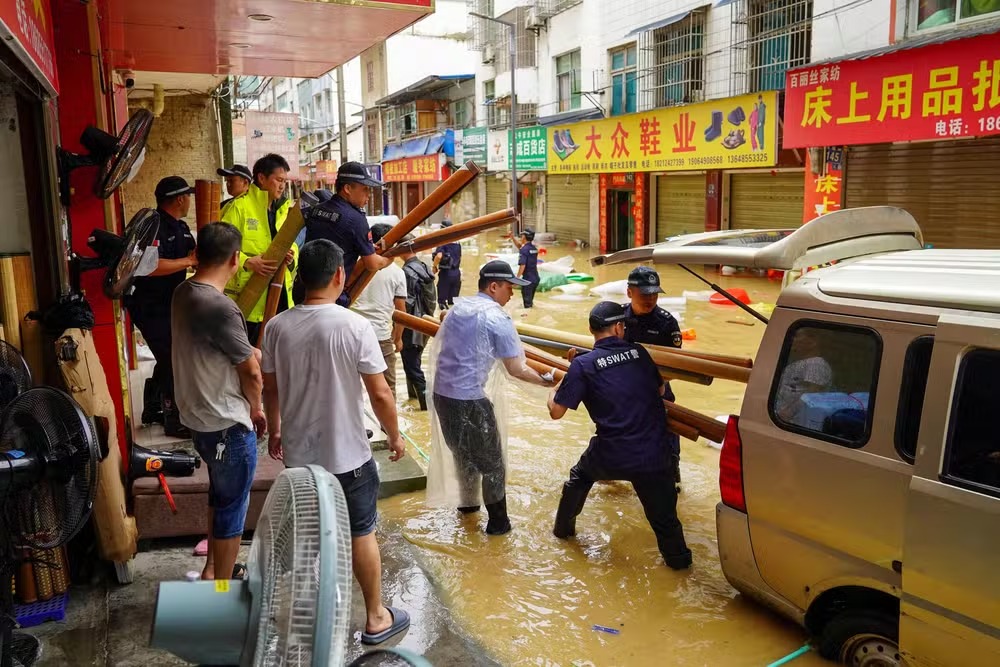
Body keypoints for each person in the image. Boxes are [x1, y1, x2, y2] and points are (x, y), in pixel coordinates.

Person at [260, 238, 410, 646]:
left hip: (300, 459)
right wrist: (394, 436)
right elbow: (380, 393)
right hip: (350, 459)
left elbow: (269, 389)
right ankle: (376, 617)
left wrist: (275, 429)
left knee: (306, 535)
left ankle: (305, 617)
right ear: (339, 275)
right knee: (362, 533)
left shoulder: (276, 327)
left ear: (300, 278)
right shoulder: (354, 325)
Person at [547, 301, 692, 571]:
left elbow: (557, 412)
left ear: (592, 330)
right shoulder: (640, 352)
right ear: (618, 327)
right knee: (666, 521)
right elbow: (660, 393)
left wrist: (555, 388)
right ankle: (680, 565)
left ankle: (562, 534)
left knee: (579, 477)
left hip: (611, 453)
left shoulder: (583, 365)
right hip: (654, 454)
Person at [429, 260, 556, 535]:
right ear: (494, 286)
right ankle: (499, 526)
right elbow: (517, 368)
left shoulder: (457, 308)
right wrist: (550, 380)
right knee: (493, 465)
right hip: (470, 401)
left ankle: (468, 509)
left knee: (464, 456)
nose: (511, 294)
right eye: (509, 287)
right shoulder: (497, 317)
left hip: (442, 396)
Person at [171, 222, 267, 582]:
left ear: (197, 255)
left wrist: (249, 351)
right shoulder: (222, 307)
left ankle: (213, 569)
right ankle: (222, 592)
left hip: (198, 419)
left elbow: (221, 351)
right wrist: (256, 409)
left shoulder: (183, 292)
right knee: (232, 508)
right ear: (236, 259)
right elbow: (252, 374)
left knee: (219, 494)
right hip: (226, 422)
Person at [125, 176, 197, 437]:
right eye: (187, 196)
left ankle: (153, 406)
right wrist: (186, 261)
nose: (190, 200)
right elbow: (147, 267)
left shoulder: (181, 227)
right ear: (179, 199)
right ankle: (173, 417)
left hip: (170, 304)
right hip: (149, 305)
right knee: (172, 359)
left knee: (169, 355)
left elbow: (194, 255)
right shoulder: (153, 227)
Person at [220, 153, 297, 345]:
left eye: (284, 181)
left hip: (280, 298)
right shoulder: (239, 207)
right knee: (250, 360)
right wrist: (247, 262)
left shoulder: (284, 209)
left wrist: (292, 256)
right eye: (278, 180)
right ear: (261, 178)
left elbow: (293, 242)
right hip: (248, 301)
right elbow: (220, 246)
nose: (282, 186)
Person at [623, 265, 683, 489]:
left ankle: (671, 472)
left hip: (658, 388)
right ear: (630, 292)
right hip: (624, 390)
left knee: (667, 433)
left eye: (654, 293)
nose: (650, 299)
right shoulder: (617, 318)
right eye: (644, 293)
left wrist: (655, 384)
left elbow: (676, 365)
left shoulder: (667, 323)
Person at [302, 162, 391, 306]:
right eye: (365, 189)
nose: (368, 195)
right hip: (330, 298)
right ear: (347, 188)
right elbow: (372, 263)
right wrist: (389, 259)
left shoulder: (316, 210)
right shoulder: (355, 219)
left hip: (303, 291)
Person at [351, 223, 408, 399]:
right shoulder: (397, 273)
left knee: (350, 384)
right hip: (380, 336)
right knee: (387, 388)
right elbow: (401, 311)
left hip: (352, 332)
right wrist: (397, 338)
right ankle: (388, 427)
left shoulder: (355, 264)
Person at [398, 236, 436, 410]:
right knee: (413, 363)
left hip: (411, 327)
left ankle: (427, 406)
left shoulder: (406, 272)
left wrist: (397, 330)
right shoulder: (425, 267)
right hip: (424, 324)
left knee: (412, 367)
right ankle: (414, 400)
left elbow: (406, 303)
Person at [432, 220, 462, 310]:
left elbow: (439, 256)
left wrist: (434, 266)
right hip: (457, 274)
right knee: (453, 302)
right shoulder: (458, 242)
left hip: (446, 274)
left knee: (442, 303)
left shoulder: (443, 241)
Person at [512, 227, 540, 308]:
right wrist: (512, 238)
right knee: (530, 301)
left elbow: (522, 265)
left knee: (527, 305)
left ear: (524, 237)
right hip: (535, 279)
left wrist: (517, 279)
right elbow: (521, 247)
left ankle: (529, 319)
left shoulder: (524, 250)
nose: (521, 237)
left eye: (522, 236)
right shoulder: (534, 249)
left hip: (527, 280)